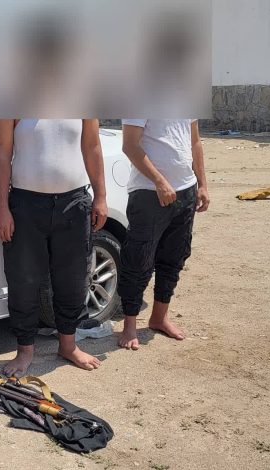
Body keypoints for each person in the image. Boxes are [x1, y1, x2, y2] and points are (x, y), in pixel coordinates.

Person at [0, 119, 108, 377]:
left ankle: (68, 345)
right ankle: (25, 351)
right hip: (25, 205)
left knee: (73, 278)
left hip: (74, 203)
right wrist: (1, 208)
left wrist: (101, 196)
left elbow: (92, 146)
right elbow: (2, 154)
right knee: (23, 280)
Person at [117, 119, 210, 350]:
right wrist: (159, 181)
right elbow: (130, 145)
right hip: (149, 193)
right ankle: (129, 325)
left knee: (175, 257)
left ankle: (159, 317)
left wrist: (202, 184)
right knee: (138, 260)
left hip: (186, 190)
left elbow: (195, 141)